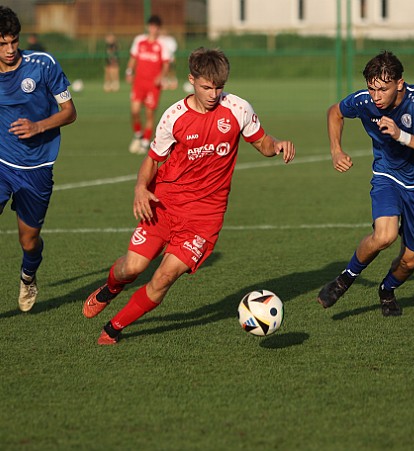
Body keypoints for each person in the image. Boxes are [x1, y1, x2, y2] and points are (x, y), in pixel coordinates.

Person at [83, 47, 296, 345]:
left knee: (163, 278)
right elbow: (153, 158)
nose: (213, 94)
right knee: (131, 268)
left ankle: (114, 328)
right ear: (191, 80)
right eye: (206, 87)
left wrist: (278, 146)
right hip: (165, 205)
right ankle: (110, 289)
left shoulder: (237, 109)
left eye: (218, 87)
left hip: (204, 219)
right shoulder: (174, 117)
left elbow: (262, 142)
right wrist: (140, 188)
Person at [317, 50, 414, 316]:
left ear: (400, 83)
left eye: (383, 89)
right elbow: (334, 112)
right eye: (371, 89)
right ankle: (344, 280)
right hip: (388, 175)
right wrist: (336, 150)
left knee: (410, 261)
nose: (376, 96)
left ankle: (387, 290)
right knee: (385, 235)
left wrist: (402, 136)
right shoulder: (365, 101)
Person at [0, 6, 77, 312]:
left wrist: (38, 126)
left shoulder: (42, 64)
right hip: (2, 163)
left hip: (37, 168)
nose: (9, 49)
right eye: (2, 43)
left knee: (29, 241)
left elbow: (70, 112)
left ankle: (28, 275)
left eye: (13, 42)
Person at [126, 15, 170, 155]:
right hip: (138, 83)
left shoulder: (162, 45)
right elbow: (133, 58)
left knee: (149, 114)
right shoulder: (139, 41)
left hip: (153, 86)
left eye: (156, 27)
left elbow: (166, 64)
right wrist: (129, 71)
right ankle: (138, 134)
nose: (153, 29)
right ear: (148, 27)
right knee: (134, 111)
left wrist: (161, 77)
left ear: (158, 29)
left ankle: (145, 142)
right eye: (151, 26)